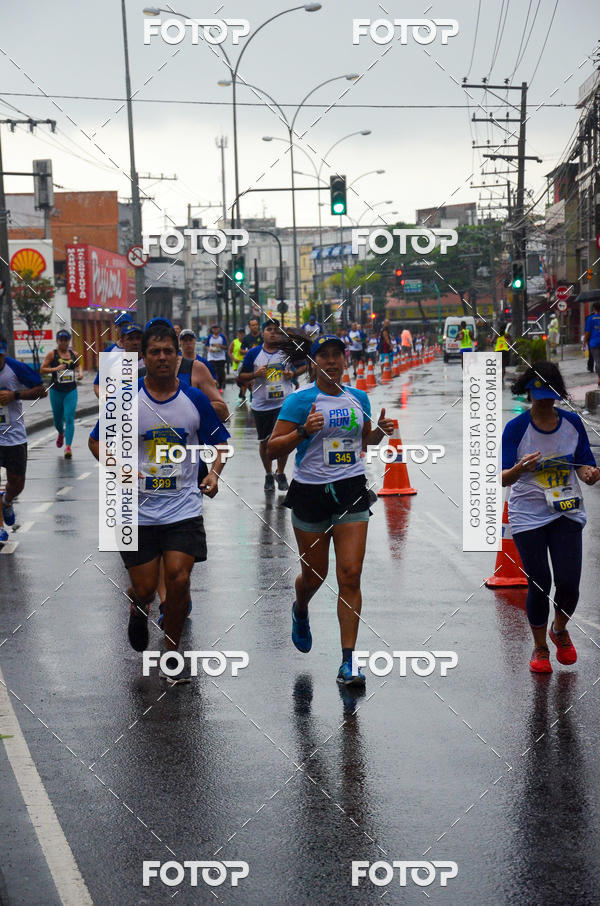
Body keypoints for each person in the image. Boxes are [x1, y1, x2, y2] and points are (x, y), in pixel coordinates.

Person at [88, 321, 231, 684]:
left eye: (169, 351)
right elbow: (96, 442)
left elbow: (220, 445)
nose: (163, 357)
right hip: (136, 510)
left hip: (183, 506)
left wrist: (214, 473)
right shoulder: (126, 399)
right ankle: (138, 606)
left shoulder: (194, 399)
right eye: (155, 351)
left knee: (179, 579)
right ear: (144, 357)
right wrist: (117, 468)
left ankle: (172, 652)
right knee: (146, 587)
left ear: (177, 356)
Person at [267, 334, 395, 686]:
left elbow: (362, 442)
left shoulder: (359, 397)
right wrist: (302, 432)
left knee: (350, 574)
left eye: (337, 354)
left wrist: (378, 433)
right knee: (315, 576)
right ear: (313, 363)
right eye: (323, 355)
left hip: (351, 489)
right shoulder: (300, 400)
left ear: (345, 359)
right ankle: (300, 607)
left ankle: (348, 662)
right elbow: (272, 450)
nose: (332, 361)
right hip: (310, 492)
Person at [502, 361, 600, 674]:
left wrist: (590, 474)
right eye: (539, 397)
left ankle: (559, 630)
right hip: (528, 515)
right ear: (529, 394)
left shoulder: (572, 423)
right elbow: (502, 477)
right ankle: (540, 647)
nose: (545, 403)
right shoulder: (516, 428)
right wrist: (520, 469)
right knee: (540, 582)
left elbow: (583, 464)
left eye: (550, 397)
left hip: (566, 511)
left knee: (569, 584)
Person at [238, 318, 306, 491]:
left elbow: (305, 366)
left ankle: (280, 472)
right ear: (263, 333)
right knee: (265, 442)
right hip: (261, 405)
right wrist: (255, 374)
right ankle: (268, 474)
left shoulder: (287, 351)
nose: (273, 333)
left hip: (284, 403)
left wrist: (292, 374)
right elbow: (241, 377)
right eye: (269, 330)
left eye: (277, 330)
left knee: (283, 441)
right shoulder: (253, 353)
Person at [0, 335, 46, 540]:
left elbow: (42, 391)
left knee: (17, 483)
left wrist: (15, 395)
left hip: (14, 436)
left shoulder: (15, 367)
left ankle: (7, 501)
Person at [40, 329, 82, 458]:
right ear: (57, 341)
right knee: (57, 420)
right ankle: (61, 432)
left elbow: (78, 365)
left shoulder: (74, 354)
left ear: (69, 341)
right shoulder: (52, 354)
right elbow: (42, 369)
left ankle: (68, 447)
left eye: (66, 340)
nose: (63, 342)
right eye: (61, 340)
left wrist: (80, 373)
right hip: (56, 390)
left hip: (71, 390)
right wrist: (55, 369)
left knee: (69, 418)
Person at [93, 312, 133, 398]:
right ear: (116, 328)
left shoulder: (141, 350)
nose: (123, 329)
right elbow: (98, 384)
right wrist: (106, 400)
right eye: (120, 326)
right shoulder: (109, 351)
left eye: (126, 325)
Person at [205, 324, 228, 391]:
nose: (215, 330)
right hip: (211, 357)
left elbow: (226, 347)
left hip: (220, 357)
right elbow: (206, 345)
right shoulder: (209, 337)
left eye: (216, 328)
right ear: (212, 329)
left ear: (219, 329)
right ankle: (214, 385)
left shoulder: (222, 337)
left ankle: (220, 385)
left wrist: (220, 346)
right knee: (212, 370)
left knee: (220, 372)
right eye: (214, 328)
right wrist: (209, 349)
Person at [584, 300, 600, 387]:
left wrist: (584, 342)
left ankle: (599, 378)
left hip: (594, 343)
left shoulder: (590, 318)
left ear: (594, 309)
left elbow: (587, 333)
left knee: (597, 361)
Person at [229, 328, 246, 398]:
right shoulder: (234, 342)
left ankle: (243, 394)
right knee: (237, 379)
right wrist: (233, 358)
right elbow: (229, 352)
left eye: (242, 333)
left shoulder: (246, 341)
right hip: (236, 364)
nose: (241, 335)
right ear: (237, 334)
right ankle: (241, 388)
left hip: (245, 363)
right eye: (239, 333)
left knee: (244, 379)